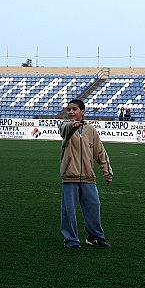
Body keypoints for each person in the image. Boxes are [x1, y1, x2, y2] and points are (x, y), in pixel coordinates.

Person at [59, 99, 113, 248]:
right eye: (69, 109)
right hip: (70, 176)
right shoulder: (64, 126)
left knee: (94, 207)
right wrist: (72, 126)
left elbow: (100, 152)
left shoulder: (91, 130)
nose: (70, 112)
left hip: (89, 177)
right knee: (68, 211)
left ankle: (95, 237)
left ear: (82, 112)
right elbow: (65, 129)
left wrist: (107, 172)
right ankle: (71, 240)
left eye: (74, 109)